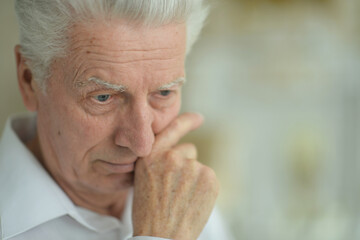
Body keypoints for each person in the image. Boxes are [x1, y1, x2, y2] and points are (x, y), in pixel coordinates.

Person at [0, 1, 233, 239]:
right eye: (103, 97)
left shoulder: (183, 199)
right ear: (29, 81)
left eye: (164, 93)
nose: (142, 143)